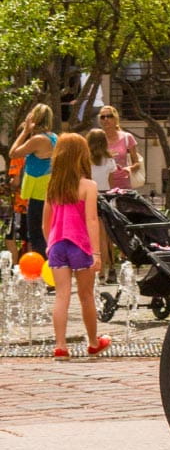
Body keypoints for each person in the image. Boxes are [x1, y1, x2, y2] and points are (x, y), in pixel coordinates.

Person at [43, 133, 110, 359]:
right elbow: (91, 220)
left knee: (61, 296)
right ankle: (93, 342)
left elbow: (46, 222)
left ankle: (61, 346)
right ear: (82, 156)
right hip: (80, 246)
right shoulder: (88, 186)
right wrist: (97, 253)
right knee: (86, 296)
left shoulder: (53, 186)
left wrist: (48, 245)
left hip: (57, 245)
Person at [10, 103, 57, 256]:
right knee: (46, 232)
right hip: (47, 189)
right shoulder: (53, 137)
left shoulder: (38, 139)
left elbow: (13, 153)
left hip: (39, 192)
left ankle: (44, 271)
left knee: (37, 234)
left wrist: (25, 131)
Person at [86, 128, 116, 279]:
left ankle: (100, 270)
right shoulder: (110, 159)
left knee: (95, 236)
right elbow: (110, 182)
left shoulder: (85, 159)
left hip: (91, 195)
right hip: (106, 195)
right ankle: (110, 267)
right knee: (107, 236)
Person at [96, 104, 141, 190]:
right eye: (102, 117)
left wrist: (129, 169)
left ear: (115, 118)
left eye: (109, 116)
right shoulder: (97, 138)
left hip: (123, 186)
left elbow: (137, 163)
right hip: (103, 186)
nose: (106, 119)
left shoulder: (127, 137)